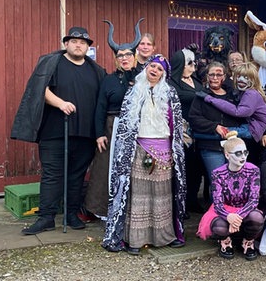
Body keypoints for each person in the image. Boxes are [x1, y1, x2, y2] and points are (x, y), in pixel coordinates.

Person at [12, 27, 106, 235]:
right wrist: (60, 103)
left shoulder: (96, 70)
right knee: (52, 175)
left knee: (76, 176)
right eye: (73, 41)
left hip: (84, 134)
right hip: (54, 132)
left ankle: (72, 214)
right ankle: (46, 217)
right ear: (66, 44)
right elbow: (39, 89)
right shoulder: (51, 63)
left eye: (82, 42)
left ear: (88, 46)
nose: (78, 45)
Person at [102, 54, 187, 255]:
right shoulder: (133, 92)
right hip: (139, 148)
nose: (155, 70)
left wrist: (176, 150)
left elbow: (176, 124)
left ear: (163, 74)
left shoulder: (170, 93)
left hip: (164, 150)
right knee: (139, 193)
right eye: (152, 66)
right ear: (146, 67)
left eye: (159, 69)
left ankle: (164, 236)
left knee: (162, 194)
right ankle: (136, 239)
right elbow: (125, 125)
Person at [84, 19, 143, 219]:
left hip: (137, 129)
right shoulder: (108, 80)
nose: (124, 58)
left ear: (134, 56)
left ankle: (133, 209)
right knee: (105, 167)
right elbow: (100, 108)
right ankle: (101, 209)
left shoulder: (143, 77)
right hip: (112, 127)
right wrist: (99, 134)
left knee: (135, 167)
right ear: (116, 58)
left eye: (128, 54)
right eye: (120, 55)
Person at [196, 135, 264, 261]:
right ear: (227, 155)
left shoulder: (254, 170)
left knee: (257, 218)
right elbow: (217, 202)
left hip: (245, 209)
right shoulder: (217, 173)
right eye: (238, 153)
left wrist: (237, 217)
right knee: (219, 227)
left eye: (245, 152)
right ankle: (225, 242)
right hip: (225, 210)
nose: (243, 156)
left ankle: (247, 242)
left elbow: (254, 199)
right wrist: (228, 216)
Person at [188, 61, 244, 197]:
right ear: (207, 76)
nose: (215, 77)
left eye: (218, 74)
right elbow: (194, 118)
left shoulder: (233, 95)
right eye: (212, 74)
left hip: (233, 147)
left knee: (235, 181)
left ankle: (233, 213)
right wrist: (215, 126)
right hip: (211, 146)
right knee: (218, 182)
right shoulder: (201, 96)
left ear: (224, 76)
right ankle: (218, 214)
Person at [168, 48, 207, 215]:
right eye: (188, 63)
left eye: (193, 62)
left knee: (196, 168)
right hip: (180, 133)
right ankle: (179, 203)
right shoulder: (171, 84)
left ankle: (192, 200)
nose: (193, 66)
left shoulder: (197, 82)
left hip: (198, 131)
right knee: (181, 169)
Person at [197, 62, 266, 143]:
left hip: (251, 129)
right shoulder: (244, 92)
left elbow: (238, 112)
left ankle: (192, 134)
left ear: (253, 79)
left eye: (245, 77)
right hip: (250, 126)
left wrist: (210, 99)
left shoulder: (251, 93)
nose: (241, 79)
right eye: (238, 76)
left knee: (223, 133)